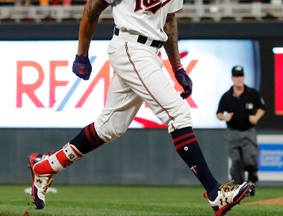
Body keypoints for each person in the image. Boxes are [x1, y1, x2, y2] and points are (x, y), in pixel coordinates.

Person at [28, 1, 254, 215]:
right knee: (178, 114)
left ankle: (47, 166)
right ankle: (215, 194)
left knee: (110, 127)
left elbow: (169, 20)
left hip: (149, 51)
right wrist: (81, 53)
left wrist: (176, 66)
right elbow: (92, 8)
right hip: (129, 45)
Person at [216, 65, 265, 195]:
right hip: (233, 132)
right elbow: (219, 113)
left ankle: (252, 181)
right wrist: (224, 117)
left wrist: (256, 117)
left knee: (251, 161)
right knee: (236, 162)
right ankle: (241, 190)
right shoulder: (226, 96)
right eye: (236, 76)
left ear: (243, 77)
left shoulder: (252, 93)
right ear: (232, 78)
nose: (239, 78)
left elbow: (261, 108)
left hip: (249, 131)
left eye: (241, 75)